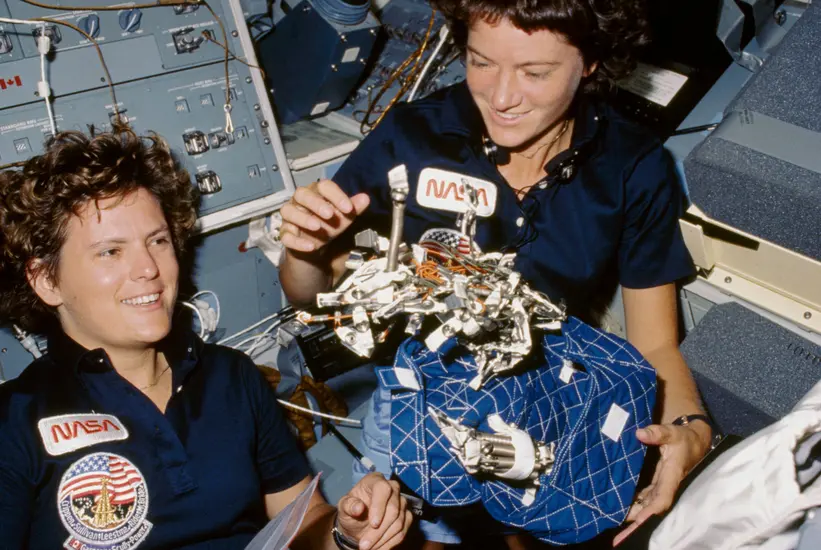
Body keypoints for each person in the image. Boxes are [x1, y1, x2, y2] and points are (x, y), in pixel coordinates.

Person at [278, 0, 714, 546]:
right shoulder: (412, 136)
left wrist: (692, 431)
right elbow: (310, 295)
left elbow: (654, 347)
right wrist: (305, 252)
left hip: (552, 405)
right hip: (422, 409)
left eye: (535, 72)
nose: (502, 97)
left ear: (592, 61)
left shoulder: (634, 166)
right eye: (481, 62)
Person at [0, 127, 413, 550]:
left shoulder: (231, 376)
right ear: (46, 280)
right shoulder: (14, 421)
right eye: (111, 251)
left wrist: (347, 531)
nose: (149, 268)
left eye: (158, 241)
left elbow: (302, 520)